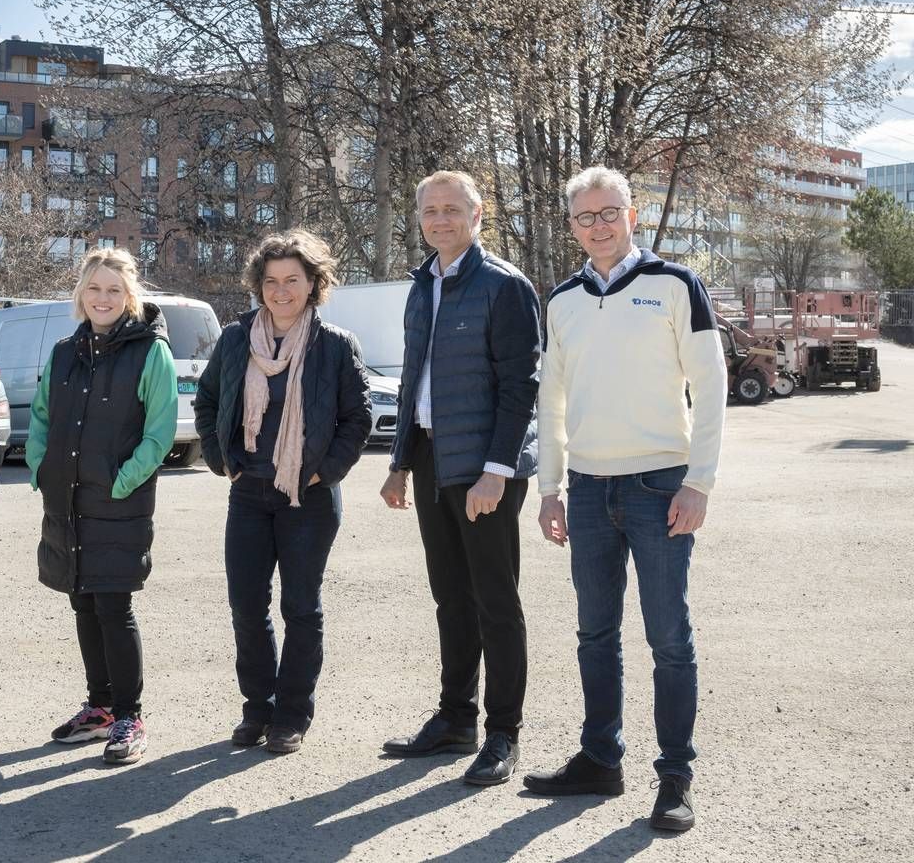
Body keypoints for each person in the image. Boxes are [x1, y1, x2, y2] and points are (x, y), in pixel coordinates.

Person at [524, 166, 725, 833]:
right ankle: (599, 759)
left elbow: (712, 384)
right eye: (586, 216)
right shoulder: (563, 300)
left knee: (668, 638)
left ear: (631, 216)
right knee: (594, 635)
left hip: (660, 485)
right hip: (586, 490)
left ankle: (675, 778)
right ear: (573, 226)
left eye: (610, 212)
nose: (600, 225)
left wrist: (699, 481)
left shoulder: (674, 286)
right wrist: (550, 488)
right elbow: (550, 399)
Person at [378, 170, 542, 787]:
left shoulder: (504, 286)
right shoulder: (422, 285)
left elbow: (522, 386)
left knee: (495, 601)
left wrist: (497, 471)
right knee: (450, 596)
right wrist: (398, 464)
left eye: (453, 209)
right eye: (430, 210)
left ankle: (503, 733)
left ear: (478, 216)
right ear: (418, 217)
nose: (440, 220)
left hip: (484, 469)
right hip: (429, 460)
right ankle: (455, 719)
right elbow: (414, 377)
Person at [194, 229, 372, 755]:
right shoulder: (235, 339)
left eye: (293, 280)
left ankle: (292, 715)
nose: (281, 291)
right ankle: (258, 709)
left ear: (314, 283)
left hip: (308, 498)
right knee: (247, 606)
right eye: (271, 281)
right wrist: (221, 459)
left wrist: (323, 472)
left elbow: (357, 419)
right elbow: (207, 403)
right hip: (248, 492)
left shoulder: (336, 345)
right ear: (258, 285)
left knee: (301, 607)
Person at [26, 247, 178, 766]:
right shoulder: (65, 351)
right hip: (66, 497)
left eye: (114, 289)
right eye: (94, 288)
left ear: (130, 296)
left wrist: (122, 482)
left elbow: (159, 433)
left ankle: (130, 715)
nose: (103, 298)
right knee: (82, 601)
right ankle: (100, 707)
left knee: (114, 605)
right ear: (81, 294)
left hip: (119, 499)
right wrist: (41, 465)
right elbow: (42, 415)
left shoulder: (151, 352)